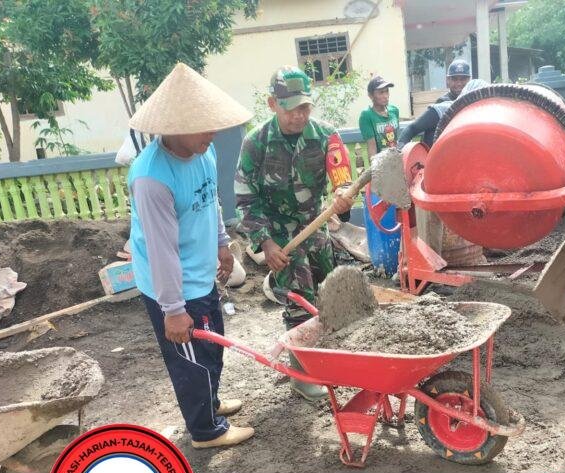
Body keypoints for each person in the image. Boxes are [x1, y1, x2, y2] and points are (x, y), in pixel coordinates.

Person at [127, 63, 254, 449]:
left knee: (211, 344)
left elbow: (210, 200)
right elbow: (161, 251)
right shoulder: (152, 178)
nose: (213, 131)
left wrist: (221, 243)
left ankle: (210, 403)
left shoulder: (204, 151)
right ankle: (204, 430)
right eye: (203, 124)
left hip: (200, 273)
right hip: (171, 284)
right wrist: (173, 309)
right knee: (189, 358)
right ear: (173, 126)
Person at [236, 66, 353, 402]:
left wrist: (342, 195)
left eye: (304, 107)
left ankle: (333, 360)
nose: (298, 115)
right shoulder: (255, 143)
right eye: (291, 108)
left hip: (314, 228)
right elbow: (245, 200)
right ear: (273, 104)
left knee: (329, 294)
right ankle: (302, 375)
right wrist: (266, 243)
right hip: (279, 236)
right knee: (299, 300)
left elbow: (342, 179)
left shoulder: (326, 136)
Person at [397, 79, 489, 149]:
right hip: (433, 163)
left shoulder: (484, 121)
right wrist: (400, 152)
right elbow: (412, 129)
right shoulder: (442, 110)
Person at [359, 75, 400, 158]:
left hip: (396, 159)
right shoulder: (366, 116)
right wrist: (375, 169)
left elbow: (397, 138)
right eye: (381, 92)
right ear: (371, 96)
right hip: (381, 163)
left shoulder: (394, 111)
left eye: (386, 91)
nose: (385, 96)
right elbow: (371, 146)